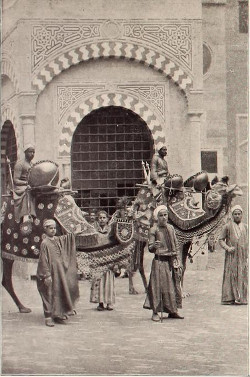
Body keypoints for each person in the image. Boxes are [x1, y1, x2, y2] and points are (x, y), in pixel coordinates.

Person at [143, 205, 183, 322]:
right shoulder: (153, 230)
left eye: (165, 215)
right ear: (157, 217)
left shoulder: (171, 228)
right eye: (161, 215)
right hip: (160, 261)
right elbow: (150, 247)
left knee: (173, 286)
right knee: (158, 287)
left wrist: (177, 260)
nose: (164, 217)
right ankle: (155, 312)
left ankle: (172, 310)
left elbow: (175, 244)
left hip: (171, 260)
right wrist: (154, 246)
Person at [36, 219, 80, 327]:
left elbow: (67, 239)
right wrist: (47, 275)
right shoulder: (44, 243)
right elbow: (43, 260)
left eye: (54, 228)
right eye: (50, 228)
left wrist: (75, 232)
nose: (53, 230)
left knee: (59, 292)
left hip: (59, 272)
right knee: (49, 294)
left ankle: (58, 314)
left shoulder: (57, 240)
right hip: (50, 273)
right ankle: (48, 317)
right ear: (45, 229)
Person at [219, 205, 248, 305]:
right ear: (232, 215)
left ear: (242, 215)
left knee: (242, 275)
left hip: (243, 256)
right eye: (235, 214)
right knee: (230, 275)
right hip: (232, 256)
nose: (237, 216)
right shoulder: (227, 226)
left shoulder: (246, 227)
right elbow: (221, 240)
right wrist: (228, 248)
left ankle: (242, 298)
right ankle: (229, 298)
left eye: (239, 214)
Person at [90, 210, 116, 311]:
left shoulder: (111, 230)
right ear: (97, 219)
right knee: (99, 280)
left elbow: (114, 243)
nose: (102, 220)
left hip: (109, 257)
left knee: (108, 280)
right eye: (100, 218)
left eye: (104, 218)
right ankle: (100, 302)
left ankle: (109, 302)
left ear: (107, 219)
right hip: (98, 258)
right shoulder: (93, 230)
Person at [13, 144, 36, 222]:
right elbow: (16, 180)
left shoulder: (33, 164)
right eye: (30, 152)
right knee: (27, 191)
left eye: (33, 152)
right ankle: (26, 216)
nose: (32, 154)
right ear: (25, 152)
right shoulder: (19, 164)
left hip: (30, 185)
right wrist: (26, 183)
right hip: (20, 187)